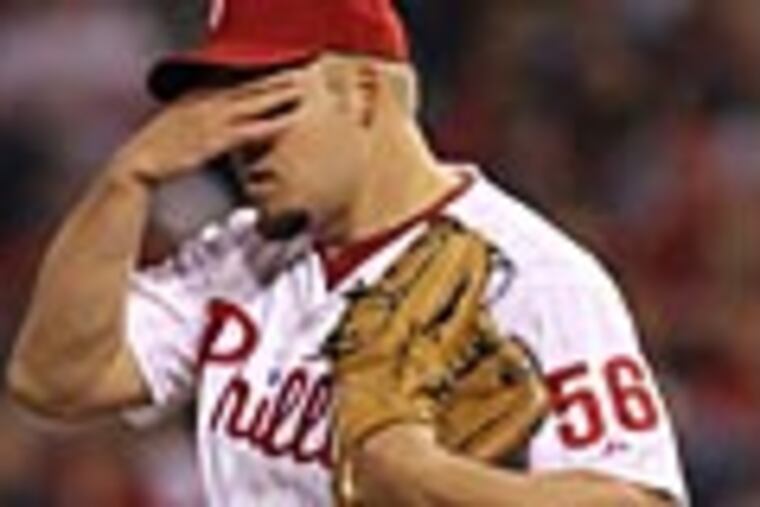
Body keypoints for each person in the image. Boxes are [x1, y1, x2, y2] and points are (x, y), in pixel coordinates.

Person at [6, 0, 689, 505]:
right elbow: (55, 380)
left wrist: (424, 477)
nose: (237, 141)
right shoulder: (241, 256)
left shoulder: (532, 275)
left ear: (363, 94)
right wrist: (128, 179)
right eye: (222, 108)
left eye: (267, 106)